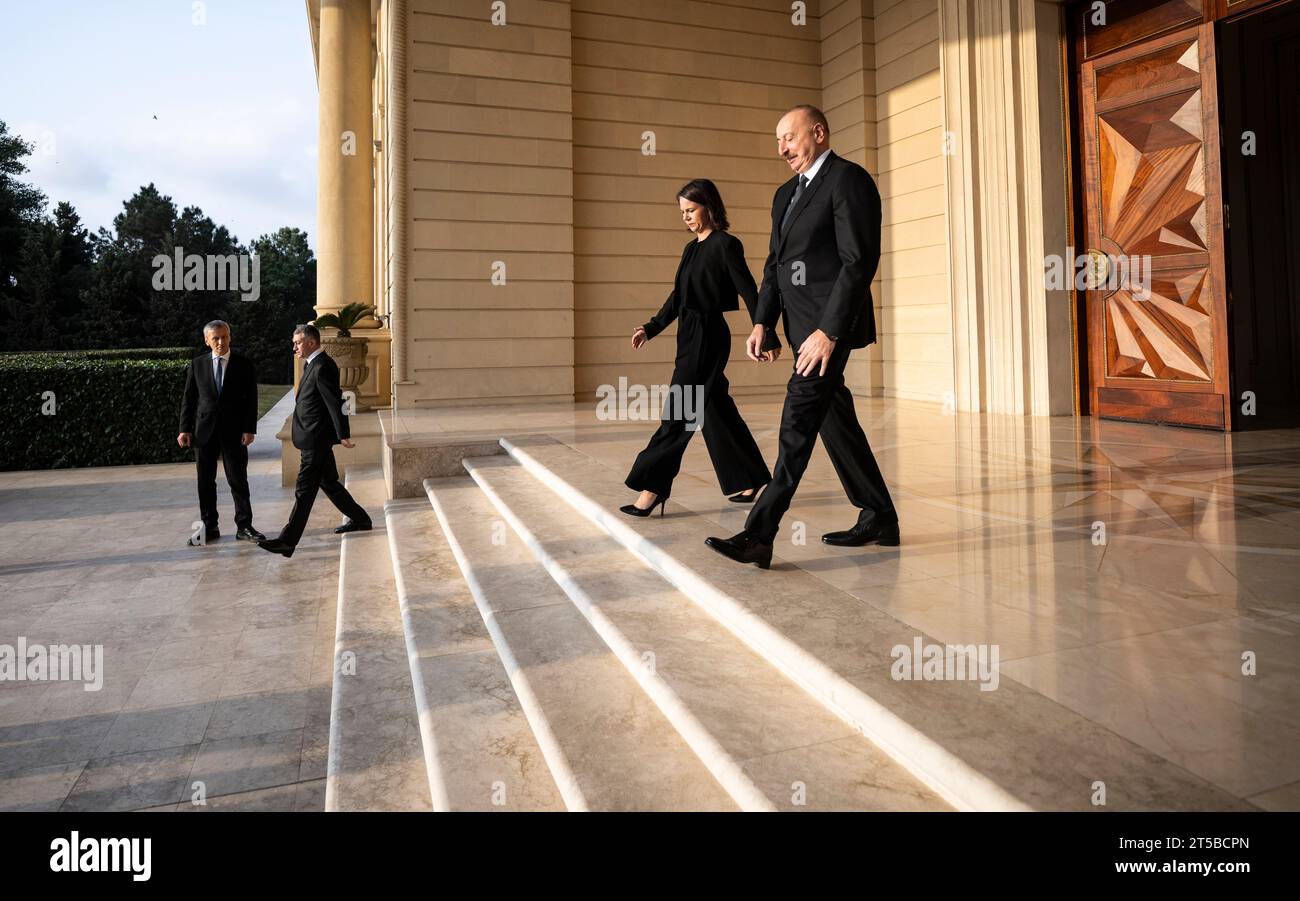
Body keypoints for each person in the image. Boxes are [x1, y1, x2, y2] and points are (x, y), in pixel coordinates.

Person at [705, 105, 899, 570]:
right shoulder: (784, 195)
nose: (782, 150)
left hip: (829, 330)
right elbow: (774, 265)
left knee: (796, 423)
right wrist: (761, 322)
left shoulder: (848, 180)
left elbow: (858, 261)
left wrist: (829, 332)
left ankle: (760, 533)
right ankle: (880, 516)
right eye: (777, 142)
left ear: (818, 131)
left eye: (788, 139)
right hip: (798, 329)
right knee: (835, 421)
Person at [620, 179, 780, 517]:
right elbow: (677, 297)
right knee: (714, 409)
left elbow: (749, 289)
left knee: (678, 412)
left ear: (708, 205)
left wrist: (765, 332)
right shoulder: (690, 249)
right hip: (687, 333)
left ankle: (652, 488)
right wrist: (651, 328)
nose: (686, 217)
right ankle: (749, 477)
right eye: (682, 212)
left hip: (709, 335)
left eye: (691, 210)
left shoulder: (726, 245)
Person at [257, 324, 371, 558]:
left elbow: (334, 401)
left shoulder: (323, 366)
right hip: (312, 437)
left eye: (297, 343)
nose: (294, 347)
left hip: (316, 440)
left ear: (311, 342)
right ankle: (361, 519)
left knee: (304, 491)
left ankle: (287, 541)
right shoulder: (313, 364)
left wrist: (343, 434)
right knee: (329, 482)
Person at [177, 320, 264, 545]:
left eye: (224, 337)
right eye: (215, 338)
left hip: (235, 431)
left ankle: (244, 526)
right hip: (203, 432)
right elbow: (189, 398)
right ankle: (209, 527)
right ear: (207, 341)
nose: (220, 342)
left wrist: (249, 428)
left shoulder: (243, 364)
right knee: (205, 481)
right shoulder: (197, 364)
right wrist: (184, 429)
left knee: (238, 479)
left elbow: (251, 399)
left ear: (230, 337)